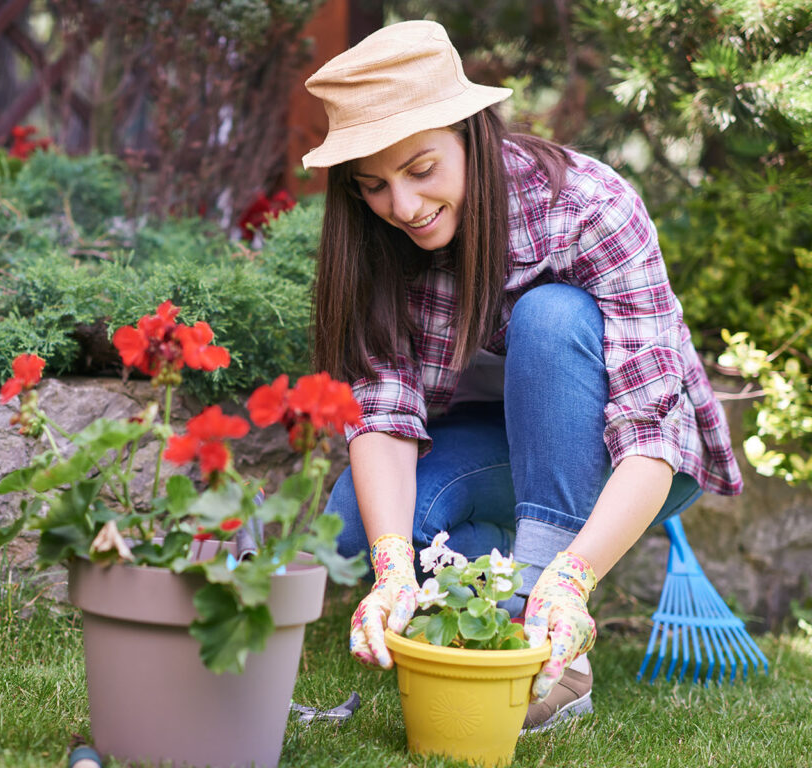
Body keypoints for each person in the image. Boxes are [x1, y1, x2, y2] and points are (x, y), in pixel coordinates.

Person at [300, 20, 743, 732]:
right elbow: (382, 411)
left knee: (551, 316)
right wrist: (391, 572)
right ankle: (504, 607)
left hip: (627, 454)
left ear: (473, 132)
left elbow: (653, 428)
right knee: (361, 524)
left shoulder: (590, 206)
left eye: (421, 170)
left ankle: (547, 627)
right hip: (494, 443)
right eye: (374, 186)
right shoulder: (375, 244)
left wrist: (569, 581)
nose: (404, 208)